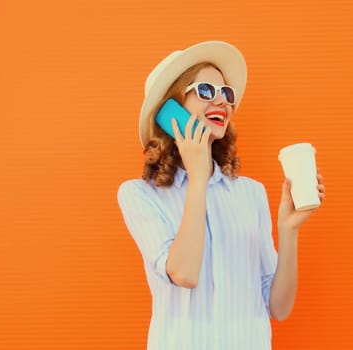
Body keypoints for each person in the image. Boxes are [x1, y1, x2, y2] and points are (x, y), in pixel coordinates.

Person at [117, 41, 326, 350]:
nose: (222, 102)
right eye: (205, 91)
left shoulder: (250, 194)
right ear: (169, 109)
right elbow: (184, 273)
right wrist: (198, 177)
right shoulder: (138, 195)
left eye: (226, 94)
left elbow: (279, 308)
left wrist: (289, 229)